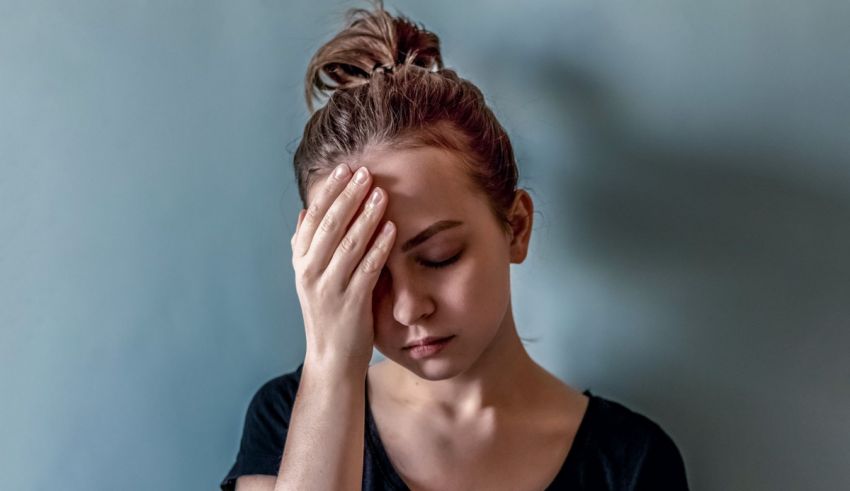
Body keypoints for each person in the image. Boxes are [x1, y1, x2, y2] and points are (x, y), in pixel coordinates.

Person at [221, 1, 690, 490]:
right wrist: (332, 365)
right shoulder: (286, 418)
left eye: (439, 257)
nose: (409, 308)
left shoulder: (631, 461)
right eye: (367, 272)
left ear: (517, 227)